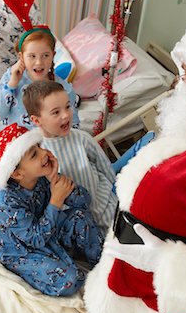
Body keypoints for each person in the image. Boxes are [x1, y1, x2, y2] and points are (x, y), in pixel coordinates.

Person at [83, 24, 186, 313]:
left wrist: (166, 260)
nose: (180, 83)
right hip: (130, 279)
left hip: (164, 304)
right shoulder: (180, 138)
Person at [0, 123, 103, 296]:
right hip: (23, 250)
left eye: (39, 147)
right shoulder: (5, 204)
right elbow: (35, 239)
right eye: (34, 154)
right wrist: (56, 201)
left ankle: (104, 263)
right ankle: (51, 263)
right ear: (17, 174)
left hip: (45, 229)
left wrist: (54, 178)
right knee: (70, 279)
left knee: (80, 217)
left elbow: (83, 201)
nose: (44, 153)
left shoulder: (40, 176)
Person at [23, 80, 117, 237]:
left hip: (106, 207)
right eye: (55, 112)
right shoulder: (38, 152)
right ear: (36, 120)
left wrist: (118, 191)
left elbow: (105, 168)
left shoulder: (82, 138)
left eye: (68, 107)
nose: (66, 115)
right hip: (78, 224)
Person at [0, 27, 80, 130]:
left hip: (46, 143)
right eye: (32, 56)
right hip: (13, 141)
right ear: (21, 57)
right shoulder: (10, 77)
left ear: (53, 55)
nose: (39, 62)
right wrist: (12, 84)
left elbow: (73, 127)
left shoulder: (64, 90)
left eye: (45, 55)